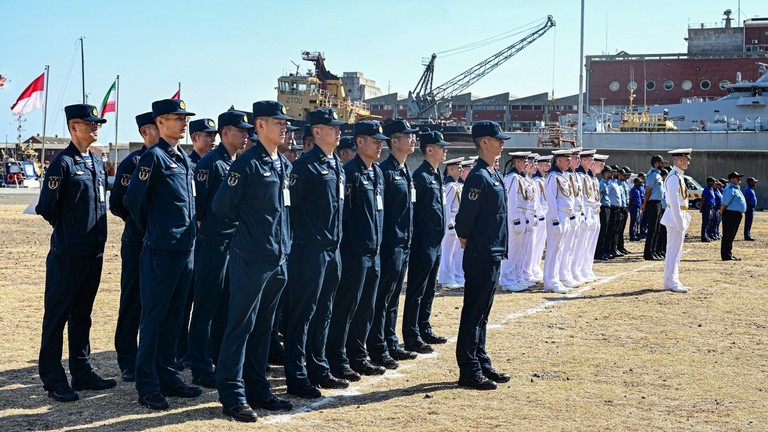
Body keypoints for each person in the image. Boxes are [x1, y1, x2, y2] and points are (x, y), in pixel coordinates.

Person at [212, 100, 294, 422]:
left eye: (284, 122)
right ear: (260, 126)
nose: (284, 127)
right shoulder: (247, 164)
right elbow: (222, 207)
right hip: (251, 259)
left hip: (277, 258)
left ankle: (259, 390)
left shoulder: (282, 164)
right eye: (278, 122)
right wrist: (249, 233)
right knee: (240, 327)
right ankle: (232, 395)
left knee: (264, 329)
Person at [124, 99, 201, 410]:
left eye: (184, 118)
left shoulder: (182, 158)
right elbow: (134, 203)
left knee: (174, 319)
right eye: (175, 118)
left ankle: (168, 375)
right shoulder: (152, 159)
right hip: (160, 252)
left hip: (185, 251)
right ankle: (148, 385)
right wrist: (157, 231)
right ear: (159, 123)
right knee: (154, 320)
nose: (183, 123)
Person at [35, 104, 114, 402]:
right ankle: (54, 378)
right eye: (89, 123)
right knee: (57, 316)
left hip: (93, 251)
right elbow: (47, 207)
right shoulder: (62, 163)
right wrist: (69, 229)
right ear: (73, 126)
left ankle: (82, 372)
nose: (95, 127)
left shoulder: (94, 160)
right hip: (68, 253)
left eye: (97, 123)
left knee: (83, 315)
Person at [282, 108, 349, 400]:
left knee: (325, 311)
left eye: (339, 127)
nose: (338, 132)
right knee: (303, 313)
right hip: (308, 250)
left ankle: (319, 367)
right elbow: (289, 209)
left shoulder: (336, 164)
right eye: (332, 127)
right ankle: (296, 375)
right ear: (317, 132)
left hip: (332, 249)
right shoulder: (305, 167)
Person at [187, 110, 252, 389]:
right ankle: (200, 367)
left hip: (233, 244)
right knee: (206, 307)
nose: (246, 135)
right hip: (213, 244)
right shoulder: (211, 164)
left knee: (226, 306)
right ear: (227, 134)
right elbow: (200, 207)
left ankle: (218, 359)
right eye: (241, 131)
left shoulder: (237, 162)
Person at [327, 120, 387, 380]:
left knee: (367, 307)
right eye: (375, 142)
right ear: (359, 142)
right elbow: (344, 215)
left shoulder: (376, 173)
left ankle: (358, 355)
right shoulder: (349, 172)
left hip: (374, 251)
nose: (379, 147)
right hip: (354, 251)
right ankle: (337, 358)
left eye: (381, 142)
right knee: (346, 307)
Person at [454, 120, 510, 390]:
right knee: (473, 312)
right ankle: (468, 369)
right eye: (497, 139)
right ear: (484, 142)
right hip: (481, 252)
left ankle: (481, 359)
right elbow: (464, 219)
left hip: (494, 250)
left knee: (483, 313)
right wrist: (467, 239)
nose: (501, 143)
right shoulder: (478, 176)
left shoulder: (492, 174)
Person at [368, 119, 420, 371]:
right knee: (382, 298)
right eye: (406, 136)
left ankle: (390, 340)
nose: (412, 140)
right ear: (394, 141)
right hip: (389, 244)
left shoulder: (403, 169)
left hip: (403, 242)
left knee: (393, 298)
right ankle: (377, 347)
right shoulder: (386, 171)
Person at [111, 112, 158, 383]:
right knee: (133, 300)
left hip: (162, 243)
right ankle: (128, 359)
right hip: (138, 241)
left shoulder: (172, 159)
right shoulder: (133, 162)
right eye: (158, 125)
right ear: (145, 132)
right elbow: (118, 203)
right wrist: (139, 223)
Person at [403, 130, 450, 354]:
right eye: (440, 147)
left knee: (430, 287)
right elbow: (414, 210)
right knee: (417, 289)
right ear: (429, 149)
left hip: (435, 239)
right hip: (423, 241)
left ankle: (424, 326)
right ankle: (411, 335)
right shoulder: (421, 177)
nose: (445, 150)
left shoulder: (436, 173)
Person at [543, 149, 576, 293]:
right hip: (557, 216)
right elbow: (550, 199)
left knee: (560, 249)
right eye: (566, 159)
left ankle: (555, 278)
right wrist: (555, 220)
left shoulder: (562, 176)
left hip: (565, 216)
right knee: (553, 250)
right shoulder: (552, 177)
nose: (569, 161)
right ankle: (550, 281)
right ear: (558, 160)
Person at [660, 149, 692, 292]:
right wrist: (679, 221)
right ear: (680, 160)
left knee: (676, 251)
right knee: (673, 251)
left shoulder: (678, 176)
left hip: (678, 216)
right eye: (686, 160)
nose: (688, 162)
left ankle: (674, 279)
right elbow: (673, 201)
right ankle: (670, 282)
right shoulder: (673, 177)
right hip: (674, 218)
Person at [499, 151, 532, 292]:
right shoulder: (513, 178)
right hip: (516, 217)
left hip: (523, 215)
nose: (527, 164)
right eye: (524, 161)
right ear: (517, 162)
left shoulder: (520, 178)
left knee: (520, 251)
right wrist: (516, 220)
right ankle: (507, 279)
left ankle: (516, 277)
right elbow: (511, 200)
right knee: (512, 251)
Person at [439, 157, 465, 290]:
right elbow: (447, 206)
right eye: (458, 167)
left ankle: (455, 276)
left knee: (456, 252)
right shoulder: (450, 186)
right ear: (451, 169)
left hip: (456, 221)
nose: (461, 170)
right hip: (452, 222)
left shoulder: (456, 185)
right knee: (448, 252)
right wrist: (449, 224)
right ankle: (445, 278)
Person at [641, 155, 667, 260]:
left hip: (658, 203)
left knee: (656, 229)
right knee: (652, 229)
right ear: (656, 163)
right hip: (653, 203)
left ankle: (654, 251)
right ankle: (648, 253)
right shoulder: (652, 174)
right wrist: (644, 204)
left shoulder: (657, 174)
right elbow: (648, 190)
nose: (663, 165)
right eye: (661, 163)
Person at [720, 172, 747, 261]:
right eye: (737, 178)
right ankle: (726, 255)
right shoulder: (730, 189)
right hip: (730, 214)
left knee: (731, 235)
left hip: (736, 215)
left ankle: (729, 253)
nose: (739, 179)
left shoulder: (736, 188)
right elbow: (725, 202)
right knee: (728, 235)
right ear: (731, 179)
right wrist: (721, 211)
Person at [700, 177, 717, 242]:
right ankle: (703, 237)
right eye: (713, 182)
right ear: (709, 182)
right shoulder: (706, 189)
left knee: (709, 222)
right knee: (705, 222)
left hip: (712, 207)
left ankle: (707, 235)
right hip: (707, 207)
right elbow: (703, 199)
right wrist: (701, 208)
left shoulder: (711, 189)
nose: (714, 183)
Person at [629, 177, 645, 241]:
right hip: (634, 206)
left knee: (637, 221)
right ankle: (632, 235)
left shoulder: (638, 189)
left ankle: (635, 233)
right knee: (633, 221)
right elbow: (631, 198)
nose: (640, 183)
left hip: (638, 206)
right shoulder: (633, 189)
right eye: (639, 182)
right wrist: (629, 205)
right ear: (635, 182)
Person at [744, 177, 758, 241]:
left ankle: (748, 234)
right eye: (753, 182)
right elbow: (745, 199)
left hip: (751, 207)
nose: (755, 183)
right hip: (749, 207)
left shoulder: (751, 189)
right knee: (748, 221)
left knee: (750, 221)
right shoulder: (748, 190)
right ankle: (747, 235)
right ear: (749, 182)